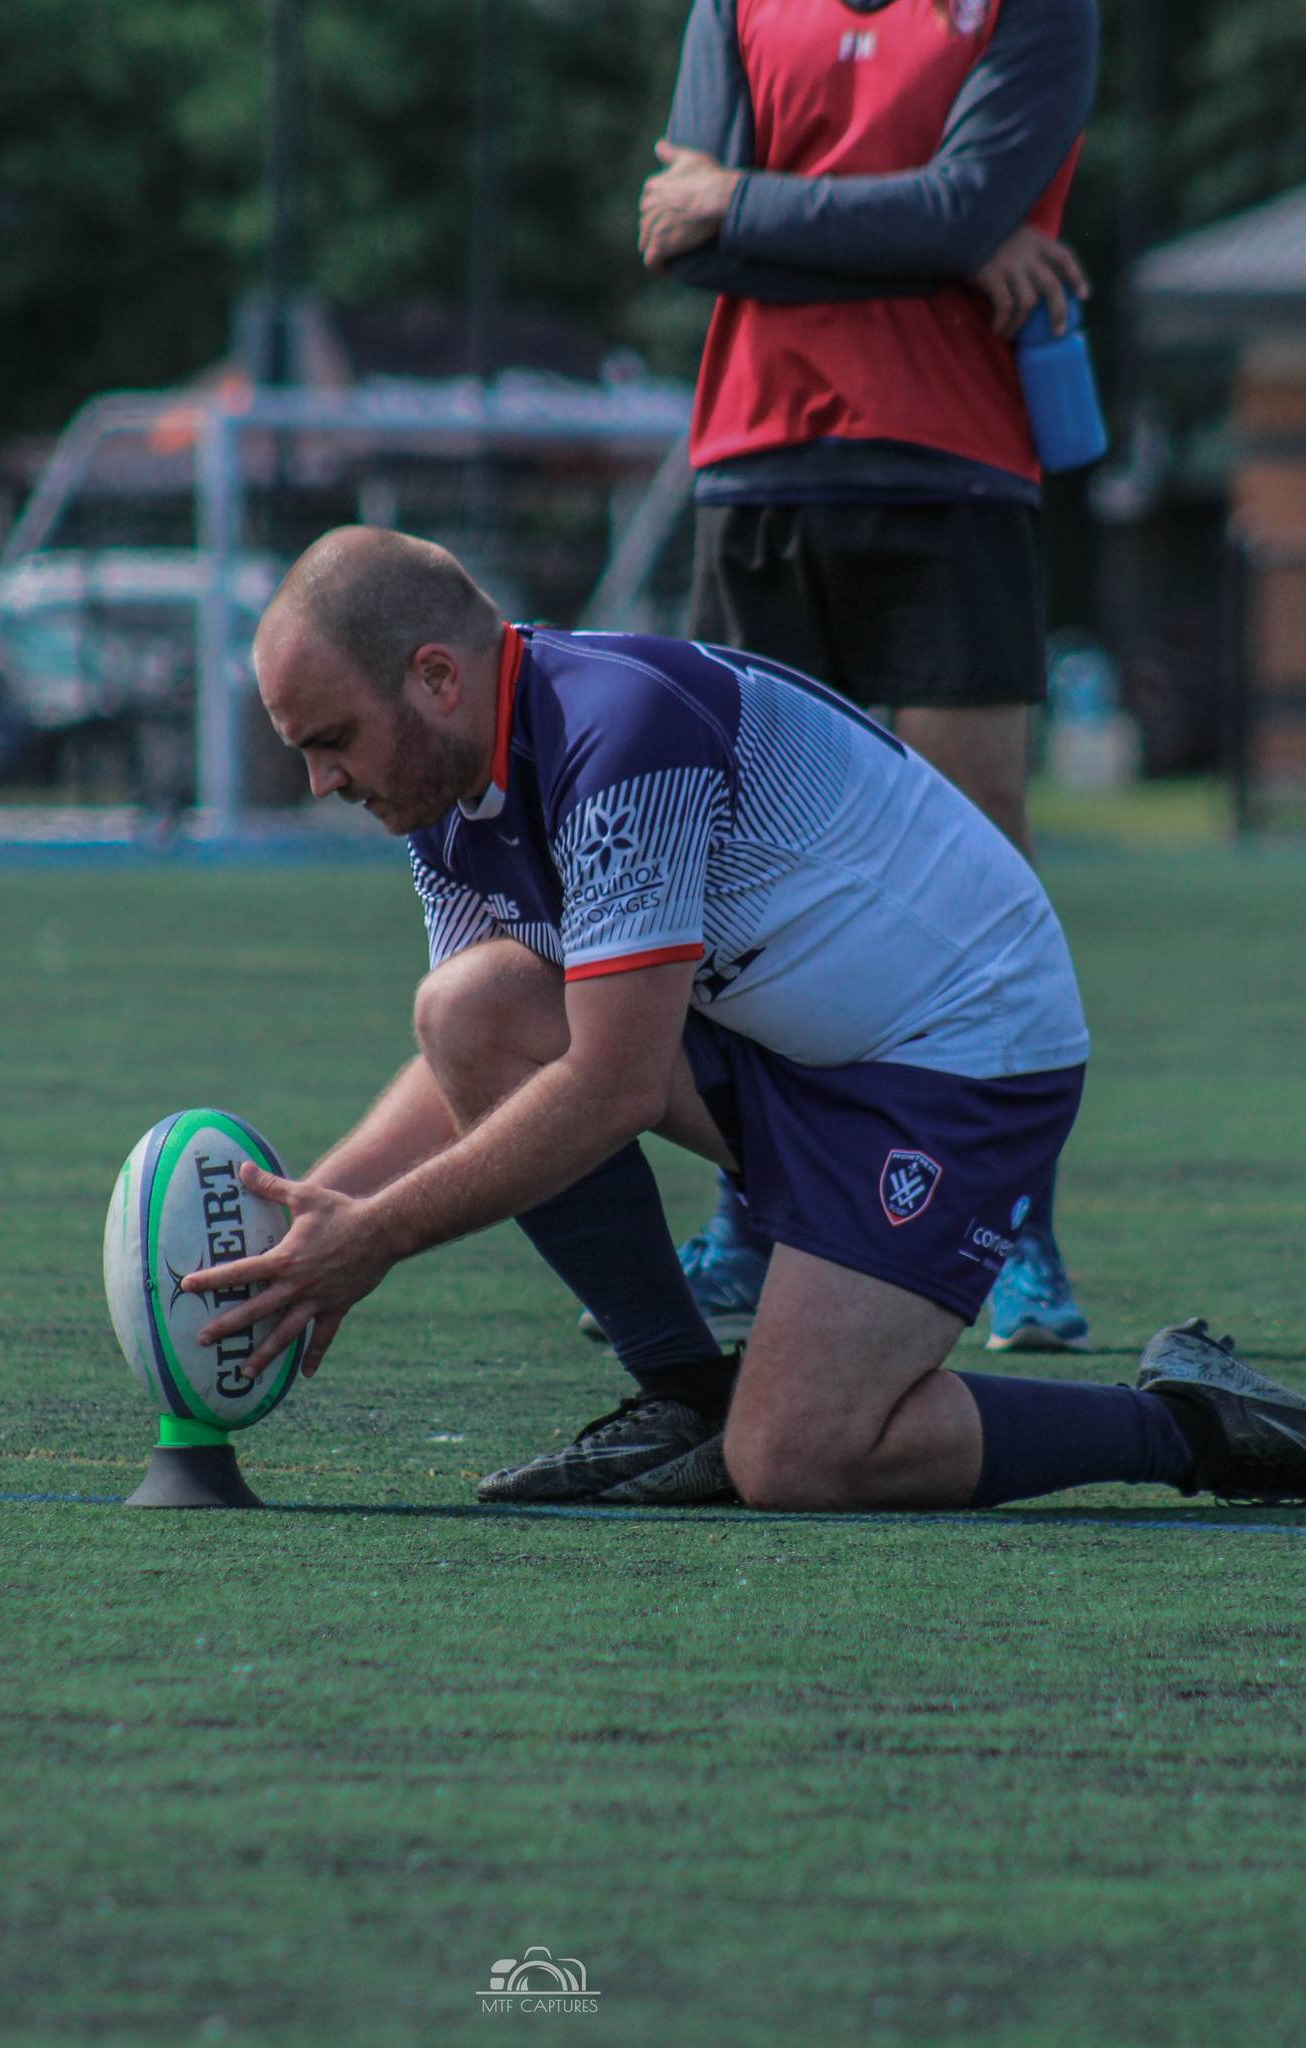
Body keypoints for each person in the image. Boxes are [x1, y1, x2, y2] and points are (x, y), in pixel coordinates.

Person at [180, 527, 1306, 1514]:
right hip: (800, 1043)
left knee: (800, 1457)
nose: (323, 778)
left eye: (330, 738)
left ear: (434, 676)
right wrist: (316, 1216)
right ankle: (681, 1394)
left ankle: (1194, 1422)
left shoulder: (617, 737)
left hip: (961, 1062)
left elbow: (609, 1084)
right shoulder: (443, 778)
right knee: (470, 1006)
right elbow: (482, 1049)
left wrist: (372, 1239)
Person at [629, 0, 1100, 1355]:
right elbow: (678, 235)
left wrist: (767, 213)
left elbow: (955, 211)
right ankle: (754, 1219)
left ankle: (1012, 1232)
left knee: (983, 870)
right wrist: (935, 238)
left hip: (957, 472)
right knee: (735, 864)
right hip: (757, 467)